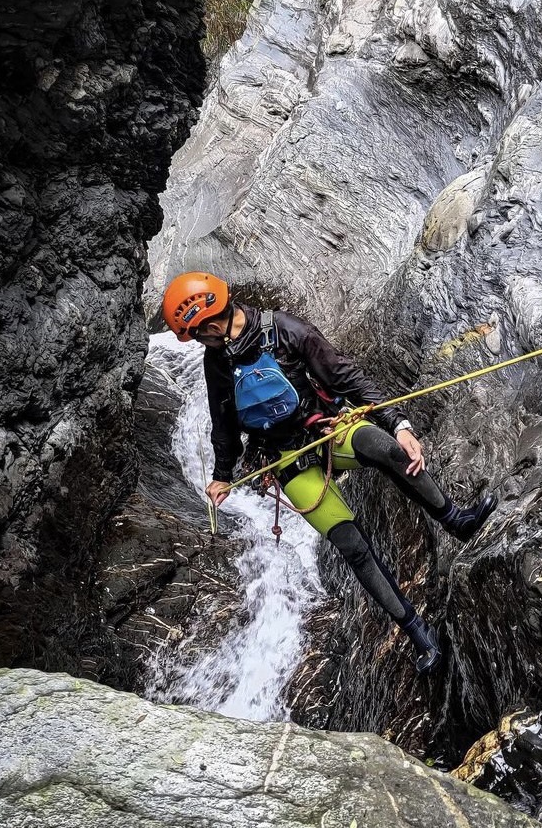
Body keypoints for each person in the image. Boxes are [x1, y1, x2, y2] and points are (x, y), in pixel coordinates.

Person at [162, 271, 496, 673]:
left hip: (327, 428)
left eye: (198, 334)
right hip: (286, 459)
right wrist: (222, 474)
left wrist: (400, 424)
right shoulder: (216, 363)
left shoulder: (287, 330)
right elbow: (224, 424)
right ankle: (417, 632)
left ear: (211, 323)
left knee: (387, 450)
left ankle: (455, 519)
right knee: (351, 545)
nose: (201, 342)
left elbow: (345, 376)